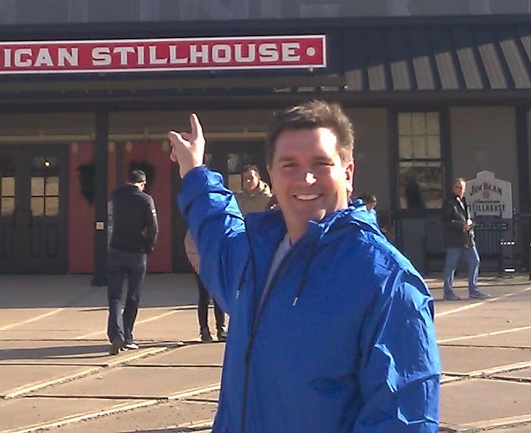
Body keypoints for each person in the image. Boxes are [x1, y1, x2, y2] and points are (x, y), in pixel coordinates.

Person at [170, 102, 440, 431]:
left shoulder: (386, 281)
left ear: (348, 173)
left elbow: (403, 418)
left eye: (321, 164)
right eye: (289, 165)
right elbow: (217, 233)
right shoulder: (254, 256)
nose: (306, 178)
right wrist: (194, 170)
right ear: (271, 173)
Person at [105, 167, 158, 354]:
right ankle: (127, 335)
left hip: (116, 249)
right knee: (133, 296)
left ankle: (116, 333)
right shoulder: (146, 200)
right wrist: (149, 246)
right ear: (143, 183)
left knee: (114, 297)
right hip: (137, 252)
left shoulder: (116, 195)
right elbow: (153, 227)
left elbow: (110, 219)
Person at [441, 178, 486, 301]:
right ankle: (448, 292)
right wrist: (461, 225)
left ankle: (474, 290)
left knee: (475, 260)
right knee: (451, 265)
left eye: (462, 188)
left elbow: (468, 218)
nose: (459, 190)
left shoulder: (464, 202)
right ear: (453, 188)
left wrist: (470, 224)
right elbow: (445, 221)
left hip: (467, 238)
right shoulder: (449, 203)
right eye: (457, 187)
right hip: (454, 239)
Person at [184, 228, 226, 341]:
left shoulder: (216, 225)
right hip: (201, 266)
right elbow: (190, 246)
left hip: (217, 265)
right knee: (204, 297)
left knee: (218, 297)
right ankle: (204, 330)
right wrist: (197, 263)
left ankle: (221, 328)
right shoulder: (195, 226)